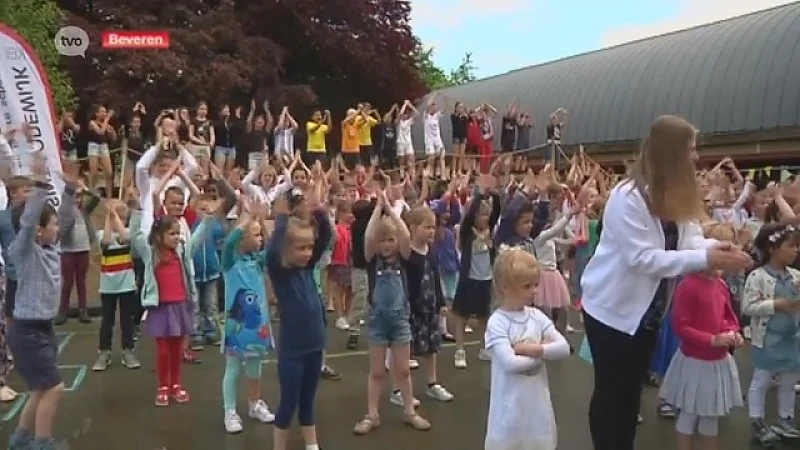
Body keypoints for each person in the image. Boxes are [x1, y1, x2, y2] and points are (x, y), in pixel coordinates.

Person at [579, 115, 752, 450]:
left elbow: (688, 244)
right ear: (670, 151)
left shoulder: (676, 194)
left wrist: (718, 249)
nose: (696, 157)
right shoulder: (627, 196)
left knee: (631, 393)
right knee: (611, 391)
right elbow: (643, 259)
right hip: (611, 311)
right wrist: (706, 259)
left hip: (648, 313)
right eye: (690, 148)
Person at [6, 155, 78, 450]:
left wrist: (70, 191)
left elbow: (67, 220)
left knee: (39, 388)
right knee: (54, 387)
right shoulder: (23, 251)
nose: (57, 229)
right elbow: (27, 222)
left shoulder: (52, 247)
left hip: (42, 328)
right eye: (51, 225)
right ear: (38, 228)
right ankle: (42, 443)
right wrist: (38, 185)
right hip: (26, 331)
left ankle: (21, 439)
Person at [659, 223, 744, 450]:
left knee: (711, 417)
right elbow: (681, 326)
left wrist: (732, 332)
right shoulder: (688, 286)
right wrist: (711, 339)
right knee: (689, 414)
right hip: (694, 361)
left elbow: (728, 315)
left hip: (717, 360)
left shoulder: (720, 285)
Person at [353, 192, 430, 435]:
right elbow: (367, 236)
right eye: (382, 240)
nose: (386, 245)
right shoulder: (371, 259)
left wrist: (391, 211)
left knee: (403, 370)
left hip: (400, 320)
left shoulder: (404, 259)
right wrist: (378, 209)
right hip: (378, 321)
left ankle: (409, 411)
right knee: (376, 372)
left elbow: (406, 235)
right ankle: (372, 414)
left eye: (390, 240)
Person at [128, 194, 213, 406]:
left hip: (179, 306)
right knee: (163, 350)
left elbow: (197, 237)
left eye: (178, 233)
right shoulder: (151, 254)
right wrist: (138, 210)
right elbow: (135, 234)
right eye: (172, 234)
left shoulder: (182, 252)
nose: (176, 237)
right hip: (161, 308)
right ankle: (163, 386)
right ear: (159, 236)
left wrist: (207, 219)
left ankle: (176, 384)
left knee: (177, 349)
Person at [484, 248, 570, 450]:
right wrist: (544, 354)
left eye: (536, 285)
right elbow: (510, 363)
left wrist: (532, 350)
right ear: (505, 287)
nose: (534, 291)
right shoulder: (497, 322)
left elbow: (564, 348)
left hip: (537, 407)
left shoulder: (536, 316)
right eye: (527, 286)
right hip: (508, 409)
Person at [267, 191, 332, 450]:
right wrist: (281, 218)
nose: (307, 253)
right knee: (288, 402)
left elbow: (325, 239)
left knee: (308, 402)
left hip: (315, 349)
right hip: (293, 353)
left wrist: (320, 214)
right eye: (301, 248)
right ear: (287, 249)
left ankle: (312, 445)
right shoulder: (282, 274)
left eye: (309, 248)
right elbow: (272, 250)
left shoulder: (306, 270)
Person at [220, 200, 276, 433]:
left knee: (255, 367)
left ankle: (254, 404)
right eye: (255, 235)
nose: (260, 239)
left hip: (258, 326)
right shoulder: (230, 261)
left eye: (260, 235)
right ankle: (229, 411)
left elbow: (272, 249)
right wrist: (247, 220)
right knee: (232, 369)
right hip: (237, 327)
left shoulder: (256, 260)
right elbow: (232, 240)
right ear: (243, 237)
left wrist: (261, 222)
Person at [742, 223, 800, 446]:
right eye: (791, 246)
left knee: (788, 380)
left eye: (797, 246)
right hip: (768, 339)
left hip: (792, 338)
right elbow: (749, 307)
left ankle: (785, 419)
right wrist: (777, 304)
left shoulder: (795, 276)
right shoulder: (757, 276)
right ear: (773, 248)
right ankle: (757, 421)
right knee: (762, 380)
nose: (796, 250)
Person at [92, 199, 141, 371]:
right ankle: (104, 352)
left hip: (126, 285)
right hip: (108, 287)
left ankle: (128, 350)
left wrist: (115, 216)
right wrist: (109, 216)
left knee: (126, 320)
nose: (117, 220)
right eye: (115, 216)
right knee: (107, 321)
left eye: (121, 217)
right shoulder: (101, 234)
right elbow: (106, 242)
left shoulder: (126, 232)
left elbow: (125, 239)